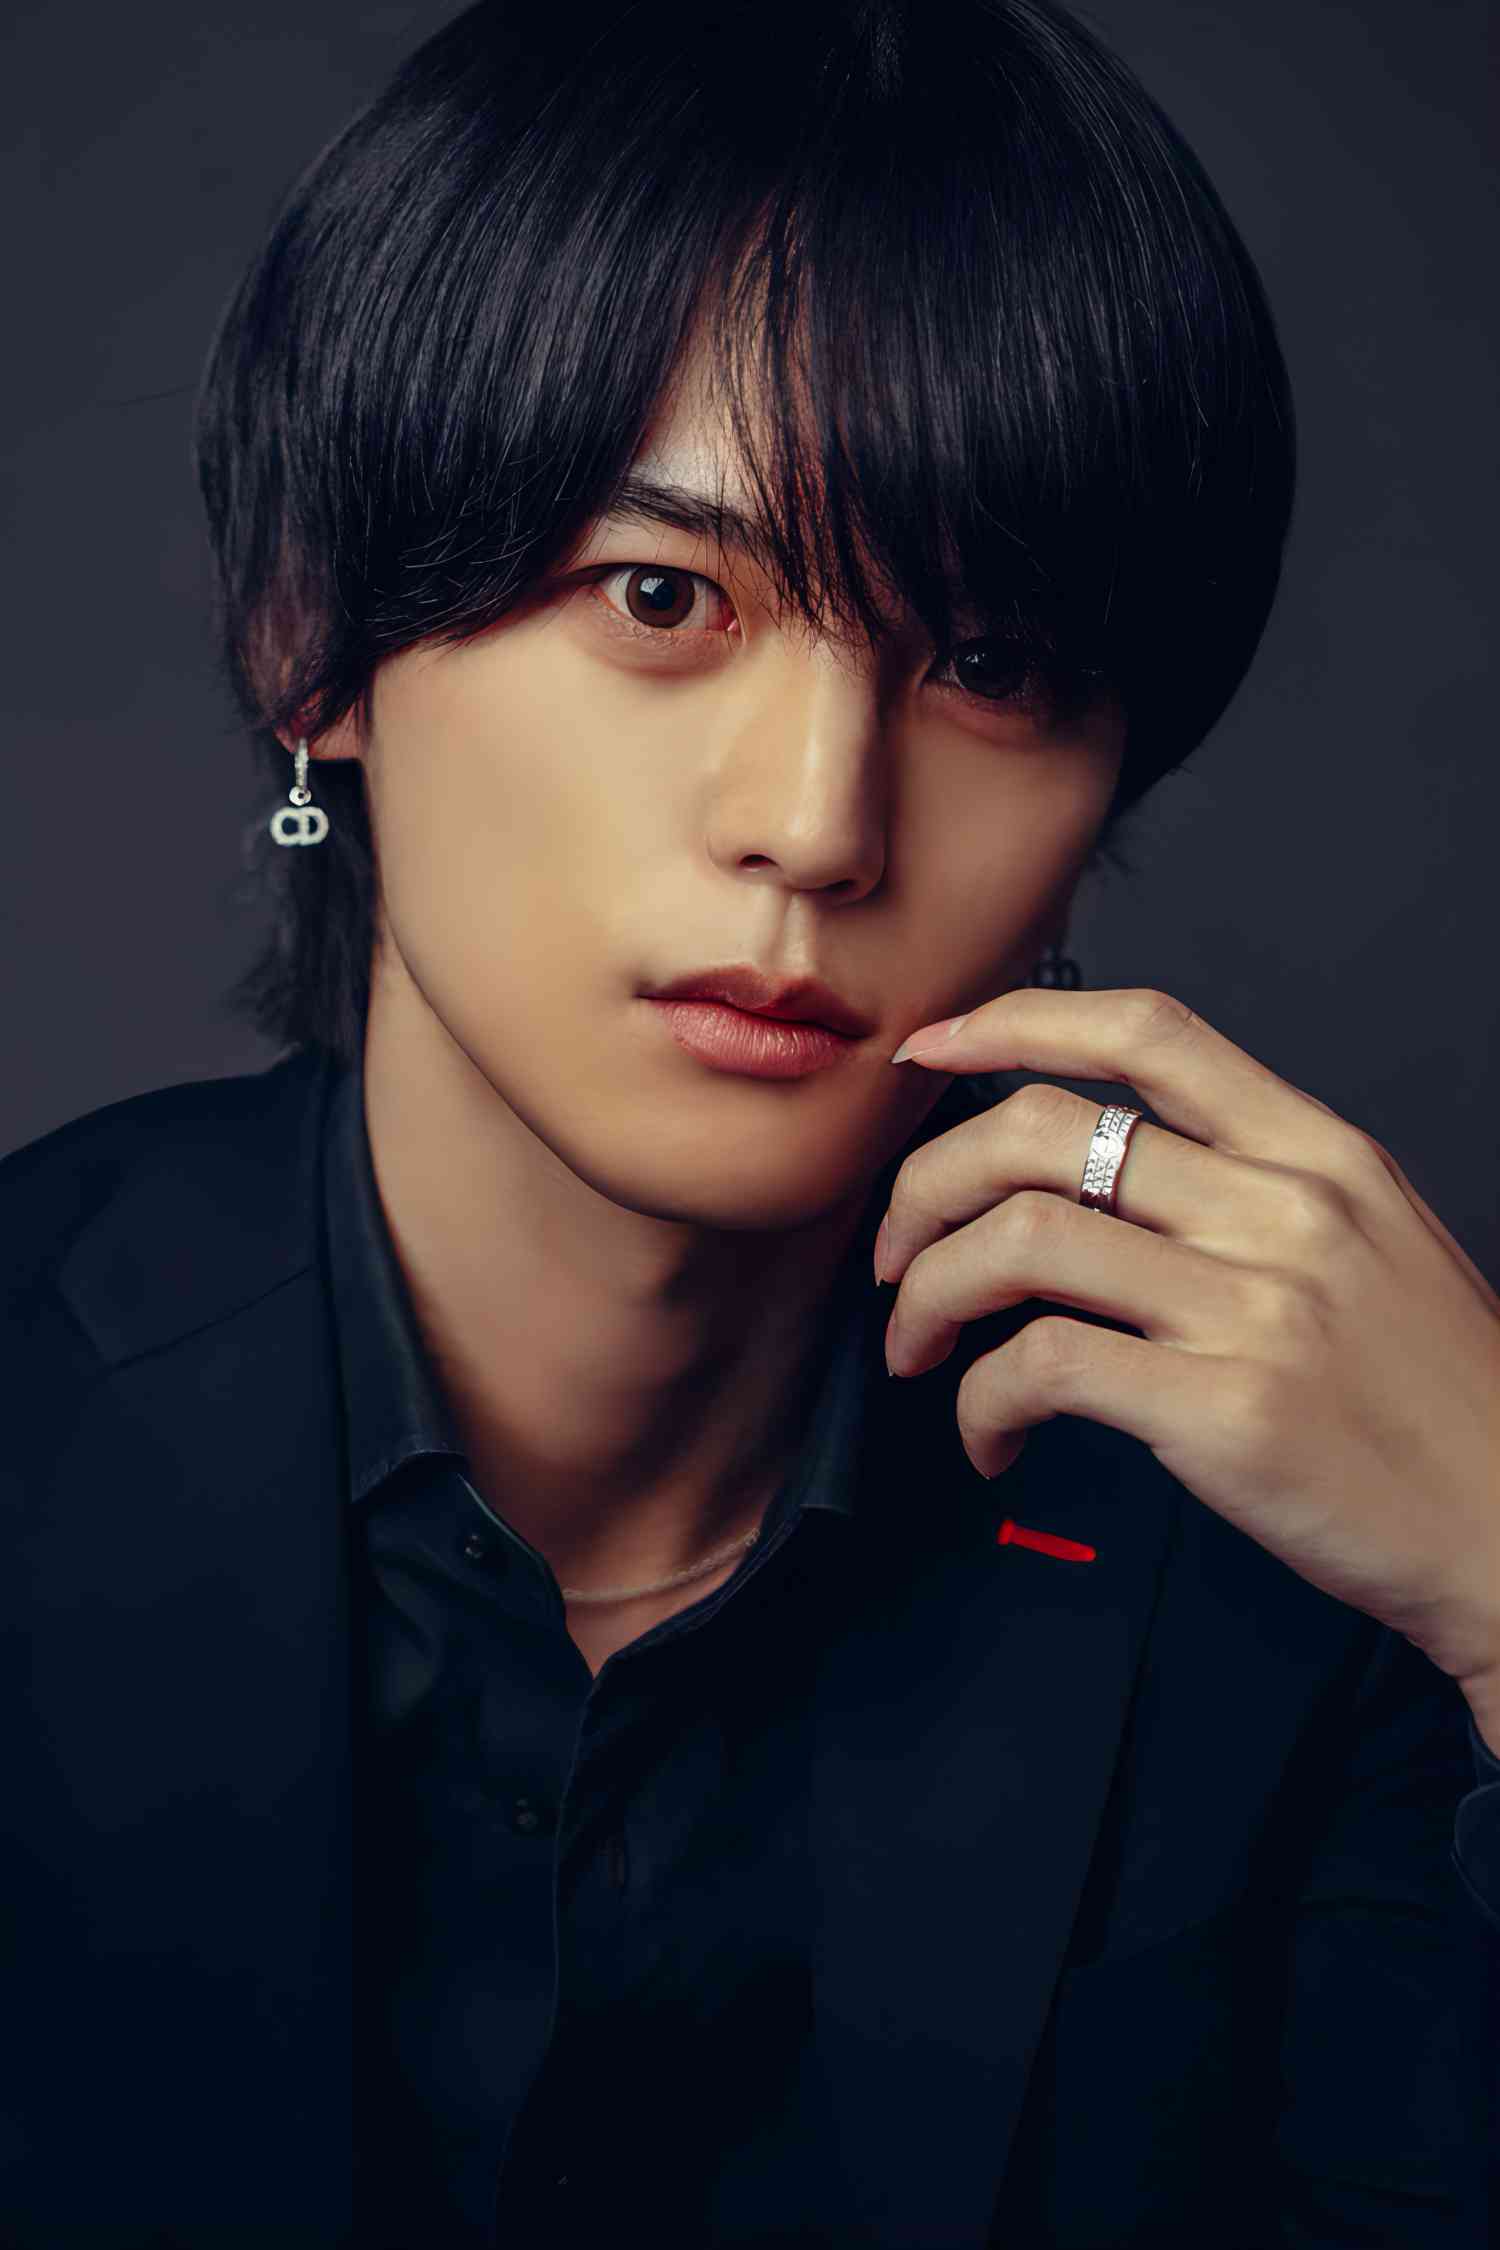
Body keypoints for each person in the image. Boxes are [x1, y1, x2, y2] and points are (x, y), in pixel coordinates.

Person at [3, 0, 1497, 2243]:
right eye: (662, 595)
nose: (819, 819)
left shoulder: (1300, 1550)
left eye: (988, 664)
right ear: (315, 636)